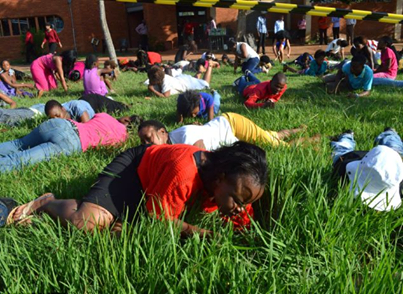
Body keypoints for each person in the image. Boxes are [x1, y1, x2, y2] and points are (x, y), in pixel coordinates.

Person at [6, 142, 268, 236]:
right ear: (220, 178)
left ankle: (120, 220)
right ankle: (46, 203)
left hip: (155, 189)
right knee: (84, 224)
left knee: (120, 234)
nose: (242, 206)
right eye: (238, 199)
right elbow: (159, 220)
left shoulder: (231, 185)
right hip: (134, 171)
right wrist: (201, 232)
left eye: (248, 201)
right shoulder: (184, 174)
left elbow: (243, 222)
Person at [0, 113, 137, 173]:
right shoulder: (122, 140)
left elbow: (89, 122)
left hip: (61, 124)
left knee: (18, 144)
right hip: (71, 143)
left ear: (127, 120)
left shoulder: (106, 116)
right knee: (18, 161)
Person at [138, 114, 310, 151]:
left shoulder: (184, 136)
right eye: (142, 141)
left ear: (162, 132)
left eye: (148, 138)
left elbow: (202, 156)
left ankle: (317, 139)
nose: (146, 144)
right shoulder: (170, 144)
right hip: (228, 129)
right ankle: (295, 129)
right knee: (267, 136)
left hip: (232, 124)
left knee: (277, 146)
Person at [330, 128, 403, 211]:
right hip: (352, 157)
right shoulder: (344, 166)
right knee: (342, 150)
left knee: (394, 150)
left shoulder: (397, 175)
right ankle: (347, 135)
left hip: (385, 163)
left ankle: (390, 133)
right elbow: (336, 176)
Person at [0, 95, 129, 127]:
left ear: (63, 109)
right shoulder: (60, 113)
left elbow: (87, 126)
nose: (56, 120)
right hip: (39, 109)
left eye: (57, 116)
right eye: (52, 118)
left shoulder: (77, 106)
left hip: (91, 101)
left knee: (117, 107)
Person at [146, 62, 212, 98]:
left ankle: (210, 65)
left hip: (187, 83)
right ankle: (199, 72)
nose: (149, 81)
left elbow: (165, 96)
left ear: (157, 80)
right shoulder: (162, 78)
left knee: (205, 83)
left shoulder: (166, 82)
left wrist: (153, 91)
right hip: (182, 79)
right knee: (196, 80)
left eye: (150, 79)